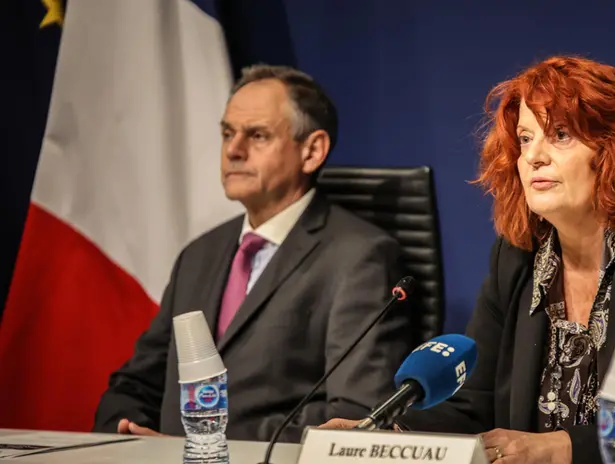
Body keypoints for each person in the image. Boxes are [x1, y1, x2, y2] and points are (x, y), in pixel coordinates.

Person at [321, 56, 615, 463]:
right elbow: (473, 405)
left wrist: (559, 449)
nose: (533, 157)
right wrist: (381, 438)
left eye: (560, 135)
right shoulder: (520, 257)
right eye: (525, 138)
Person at [93, 65, 415, 442]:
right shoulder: (199, 254)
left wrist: (204, 444)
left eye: (257, 135)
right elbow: (137, 382)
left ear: (312, 151)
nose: (233, 150)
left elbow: (355, 415)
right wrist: (123, 433)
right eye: (227, 133)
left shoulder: (361, 258)